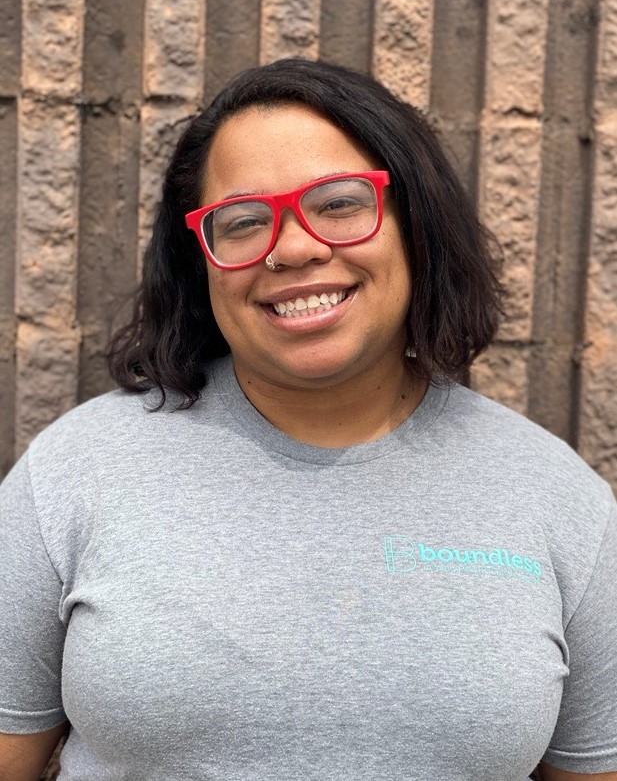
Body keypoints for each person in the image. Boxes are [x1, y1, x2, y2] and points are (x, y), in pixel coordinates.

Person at [0, 59, 615, 781]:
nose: (293, 247)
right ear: (198, 258)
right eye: (243, 221)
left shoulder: (555, 498)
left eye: (339, 203)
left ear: (414, 223)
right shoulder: (74, 472)